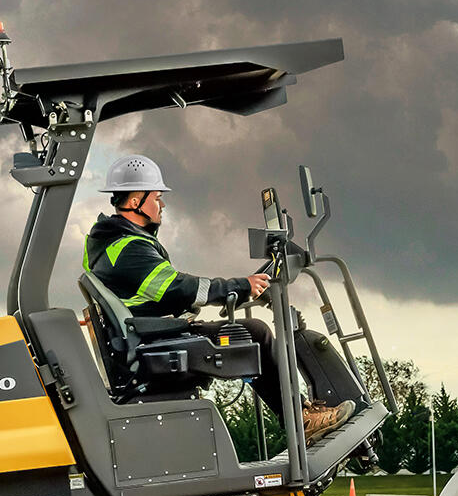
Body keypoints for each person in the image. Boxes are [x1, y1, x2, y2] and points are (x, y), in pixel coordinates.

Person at [85, 153, 357, 438]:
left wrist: (239, 289)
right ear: (134, 202)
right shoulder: (129, 248)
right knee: (255, 333)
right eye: (156, 198)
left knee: (250, 332)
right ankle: (302, 420)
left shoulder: (112, 243)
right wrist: (241, 286)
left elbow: (162, 294)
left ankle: (300, 416)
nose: (162, 205)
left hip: (150, 340)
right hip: (156, 345)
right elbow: (180, 288)